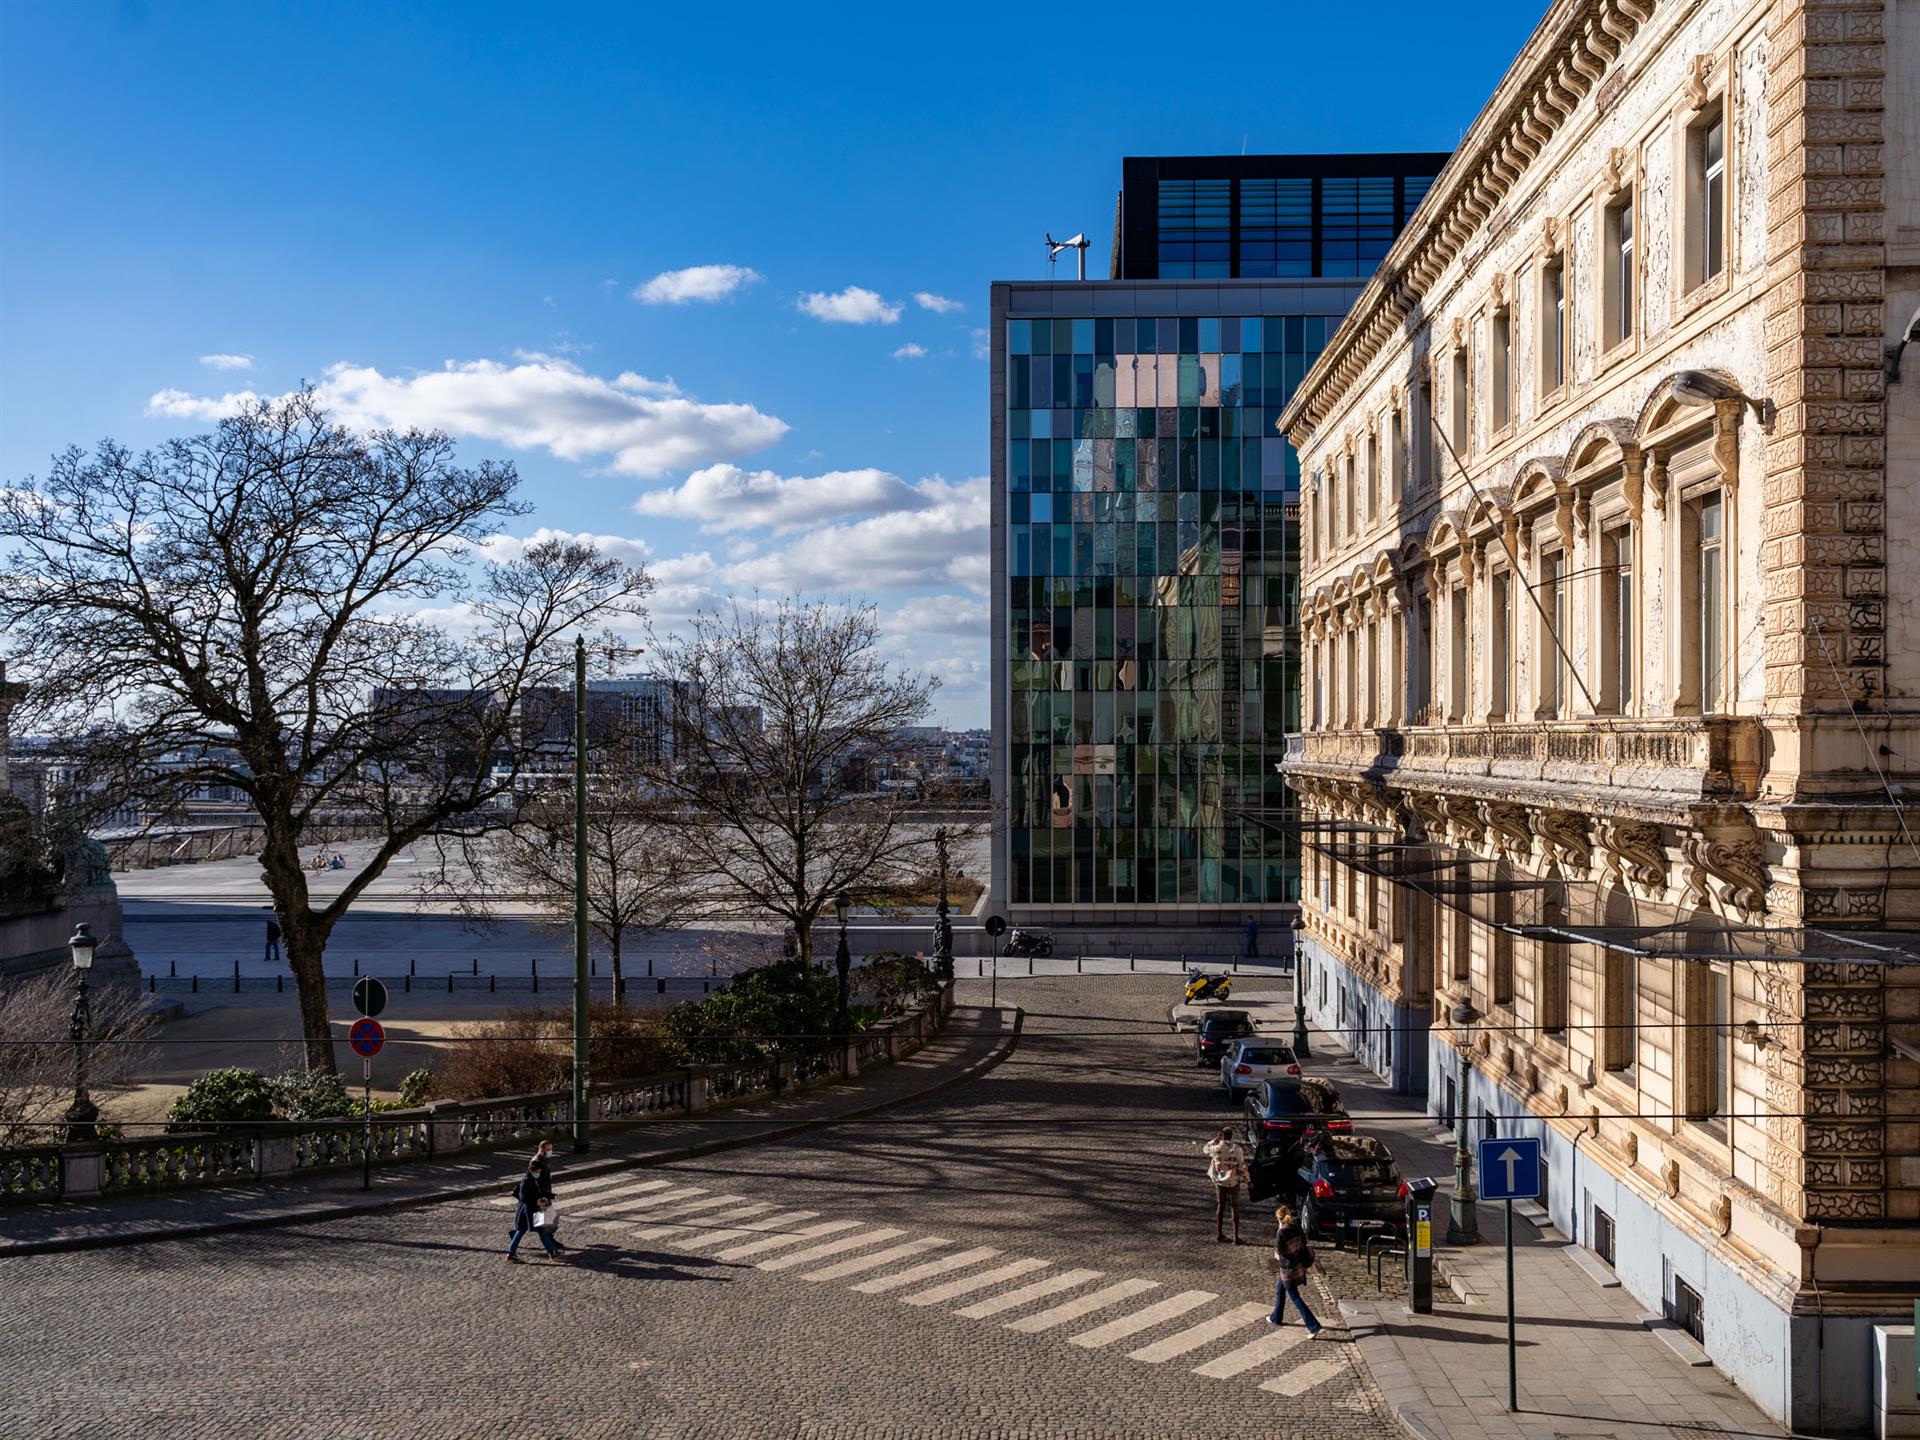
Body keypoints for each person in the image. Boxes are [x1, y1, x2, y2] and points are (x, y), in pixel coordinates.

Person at [1268, 1202, 1323, 1335]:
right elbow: (1303, 1243)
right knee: (1280, 1289)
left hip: (1288, 1270)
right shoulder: (1297, 1227)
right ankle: (1276, 1317)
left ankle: (1313, 1325)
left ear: (1279, 1218)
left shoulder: (1281, 1232)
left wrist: (1276, 1254)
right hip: (1298, 1266)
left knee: (1295, 1297)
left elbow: (1279, 1254)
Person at [506, 1140, 563, 1264]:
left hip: (526, 1210)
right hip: (529, 1210)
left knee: (522, 1231)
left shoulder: (532, 1178)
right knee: (540, 1230)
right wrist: (537, 1202)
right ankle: (552, 1252)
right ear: (534, 1170)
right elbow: (524, 1196)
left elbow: (539, 1190)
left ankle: (510, 1253)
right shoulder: (527, 1180)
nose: (539, 1174)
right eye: (538, 1172)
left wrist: (549, 1195)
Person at [1204, 1126, 1249, 1244]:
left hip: (1219, 1181)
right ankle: (1236, 1237)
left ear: (1221, 1136)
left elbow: (1205, 1148)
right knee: (1234, 1207)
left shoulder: (1216, 1148)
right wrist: (1248, 1181)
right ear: (1231, 1136)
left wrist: (1215, 1139)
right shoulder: (1237, 1149)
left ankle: (1219, 1234)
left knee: (1221, 1205)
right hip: (1233, 1181)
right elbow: (1242, 1166)